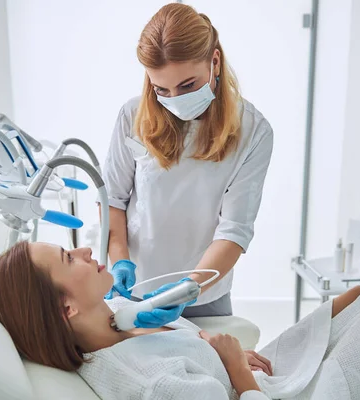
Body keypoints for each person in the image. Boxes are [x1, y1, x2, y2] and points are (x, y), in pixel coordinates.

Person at [0, 242, 360, 400]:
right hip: (269, 393)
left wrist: (232, 354)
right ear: (66, 308)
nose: (86, 249)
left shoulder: (112, 319)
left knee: (358, 295)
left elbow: (172, 326)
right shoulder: (152, 385)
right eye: (70, 257)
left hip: (257, 372)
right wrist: (235, 367)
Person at [101, 3, 274, 326]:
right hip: (135, 288)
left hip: (204, 294)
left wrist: (189, 287)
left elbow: (234, 230)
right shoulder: (132, 116)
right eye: (161, 89)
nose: (174, 99)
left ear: (215, 62)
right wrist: (120, 263)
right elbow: (113, 200)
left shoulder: (253, 131)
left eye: (188, 85)